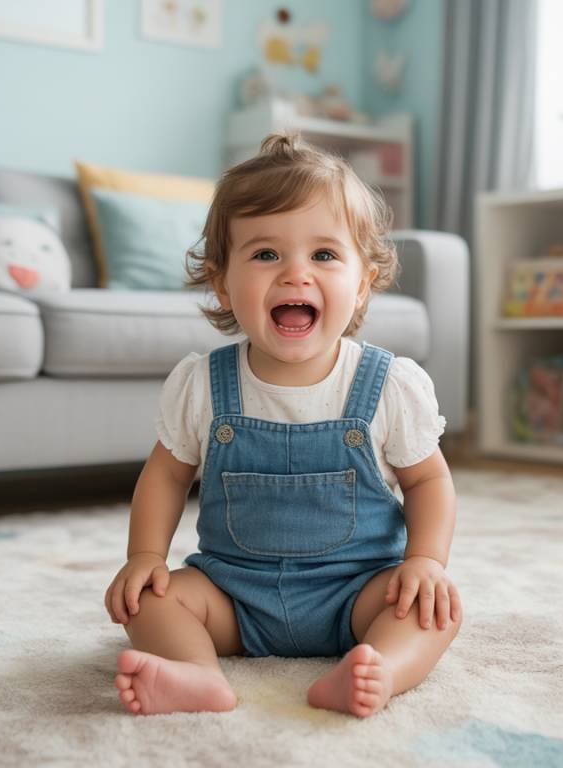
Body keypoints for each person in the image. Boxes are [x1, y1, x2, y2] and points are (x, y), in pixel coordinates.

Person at [104, 132, 462, 719]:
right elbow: (167, 476)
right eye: (266, 254)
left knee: (432, 610)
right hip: (233, 598)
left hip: (358, 595)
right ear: (221, 281)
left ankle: (380, 670)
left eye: (324, 255)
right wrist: (144, 553)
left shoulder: (387, 385)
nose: (296, 274)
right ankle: (195, 675)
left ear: (363, 281)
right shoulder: (203, 385)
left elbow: (429, 482)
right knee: (146, 600)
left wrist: (425, 561)